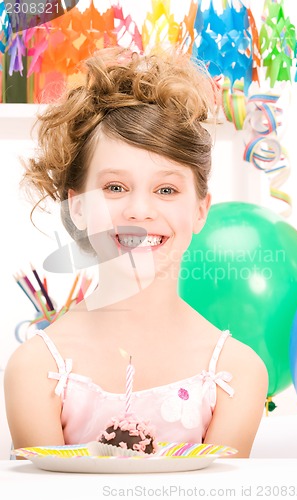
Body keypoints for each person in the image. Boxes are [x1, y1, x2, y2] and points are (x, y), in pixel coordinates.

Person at [4, 47, 268, 458]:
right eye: (114, 188)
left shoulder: (236, 373)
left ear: (200, 210)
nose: (140, 211)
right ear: (78, 207)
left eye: (166, 190)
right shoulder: (36, 369)